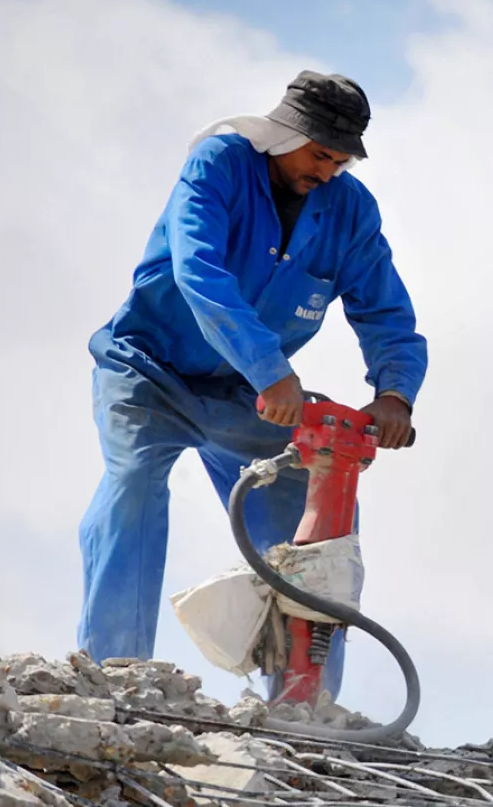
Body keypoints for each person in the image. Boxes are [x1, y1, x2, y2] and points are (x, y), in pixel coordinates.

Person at [75, 70, 428, 700]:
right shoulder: (220, 164)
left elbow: (384, 309)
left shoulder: (350, 210)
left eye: (341, 160)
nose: (327, 171)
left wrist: (395, 392)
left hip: (247, 396)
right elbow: (199, 271)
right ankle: (115, 682)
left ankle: (302, 703)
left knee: (312, 529)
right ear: (283, 133)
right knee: (131, 489)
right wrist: (271, 370)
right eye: (319, 154)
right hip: (149, 369)